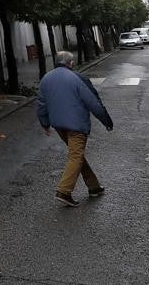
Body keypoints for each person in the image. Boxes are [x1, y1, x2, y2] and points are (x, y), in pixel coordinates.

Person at [36, 51, 114, 207]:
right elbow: (93, 102)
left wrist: (44, 123)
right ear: (70, 63)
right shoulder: (78, 78)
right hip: (76, 125)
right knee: (76, 156)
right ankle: (64, 191)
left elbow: (41, 104)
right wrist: (106, 120)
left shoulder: (46, 78)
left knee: (76, 155)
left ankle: (94, 187)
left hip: (59, 125)